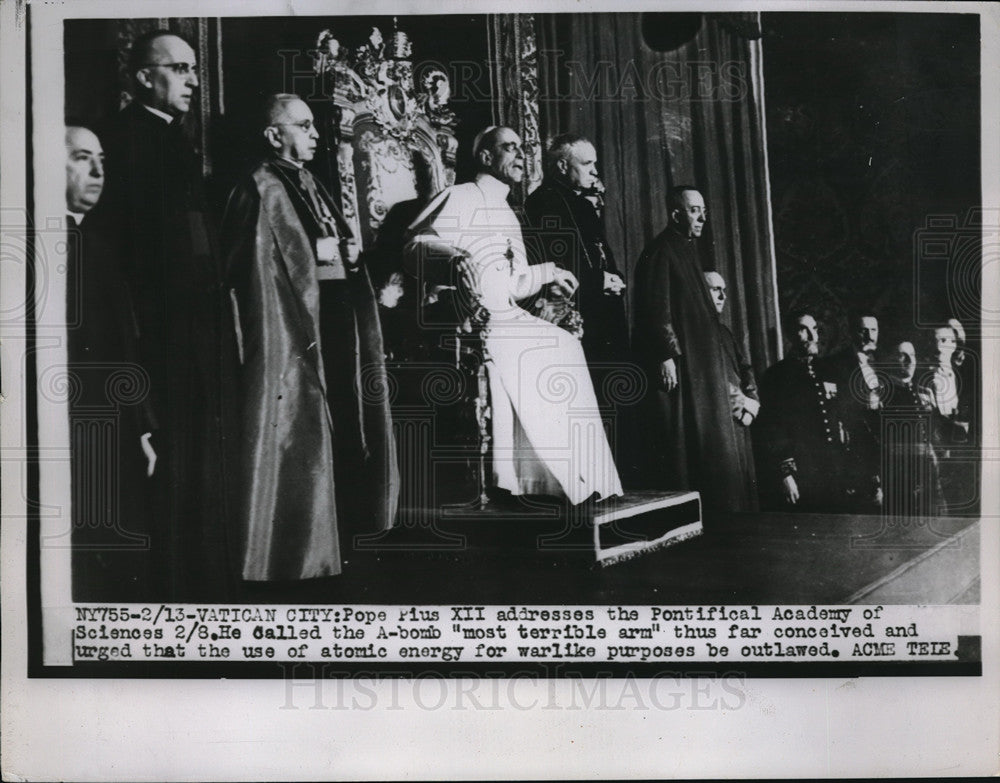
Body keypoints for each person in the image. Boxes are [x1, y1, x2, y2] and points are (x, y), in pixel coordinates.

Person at [223, 93, 399, 581]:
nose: (316, 134)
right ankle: (303, 548)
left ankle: (344, 534)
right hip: (296, 328)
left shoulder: (312, 183)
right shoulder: (260, 186)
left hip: (335, 319)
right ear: (273, 135)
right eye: (303, 126)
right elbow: (256, 274)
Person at [405, 125, 623, 505]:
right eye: (510, 148)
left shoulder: (508, 210)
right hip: (470, 314)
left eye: (523, 148)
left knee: (564, 342)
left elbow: (515, 282)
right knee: (527, 349)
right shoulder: (461, 195)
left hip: (504, 311)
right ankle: (522, 482)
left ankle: (572, 481)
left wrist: (550, 273)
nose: (521, 155)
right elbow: (414, 245)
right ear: (486, 157)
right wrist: (454, 257)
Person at [89, 30, 233, 599]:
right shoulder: (121, 140)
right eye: (180, 69)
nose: (194, 80)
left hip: (195, 328)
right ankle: (169, 589)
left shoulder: (176, 138)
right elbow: (124, 251)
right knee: (166, 463)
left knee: (198, 456)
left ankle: (201, 582)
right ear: (144, 76)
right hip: (153, 331)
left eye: (196, 69)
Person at [65, 125, 157, 600]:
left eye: (101, 158)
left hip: (112, 433)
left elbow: (125, 344)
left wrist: (141, 428)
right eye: (83, 158)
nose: (99, 171)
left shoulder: (97, 244)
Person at [632, 186, 751, 514]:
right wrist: (665, 354)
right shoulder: (661, 251)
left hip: (702, 367)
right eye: (695, 210)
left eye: (703, 210)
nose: (702, 216)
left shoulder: (685, 250)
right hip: (682, 368)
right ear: (675, 214)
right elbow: (655, 309)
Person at [524, 134, 629, 399]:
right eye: (586, 163)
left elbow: (600, 254)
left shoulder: (579, 203)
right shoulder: (544, 203)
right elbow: (553, 269)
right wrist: (599, 282)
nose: (595, 171)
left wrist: (615, 277)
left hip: (603, 316)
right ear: (562, 166)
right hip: (577, 320)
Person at [753, 311, 852, 512]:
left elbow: (840, 417)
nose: (813, 336)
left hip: (835, 470)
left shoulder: (828, 370)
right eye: (803, 330)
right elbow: (772, 429)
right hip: (804, 473)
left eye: (814, 329)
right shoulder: (777, 376)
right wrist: (786, 475)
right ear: (791, 335)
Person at [704, 271, 759, 507]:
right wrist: (741, 405)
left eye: (724, 290)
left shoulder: (725, 331)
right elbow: (710, 376)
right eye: (715, 289)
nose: (722, 295)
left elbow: (745, 367)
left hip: (742, 419)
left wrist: (753, 402)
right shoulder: (697, 331)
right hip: (722, 420)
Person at [819, 313, 884, 511]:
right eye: (863, 330)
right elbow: (834, 407)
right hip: (855, 448)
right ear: (852, 333)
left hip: (883, 445)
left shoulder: (882, 361)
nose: (869, 335)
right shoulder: (835, 363)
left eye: (873, 330)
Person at [880, 340, 942, 516]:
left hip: (929, 473)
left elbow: (934, 432)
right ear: (890, 360)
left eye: (912, 355)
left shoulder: (924, 392)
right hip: (900, 478)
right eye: (902, 355)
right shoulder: (883, 394)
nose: (909, 360)